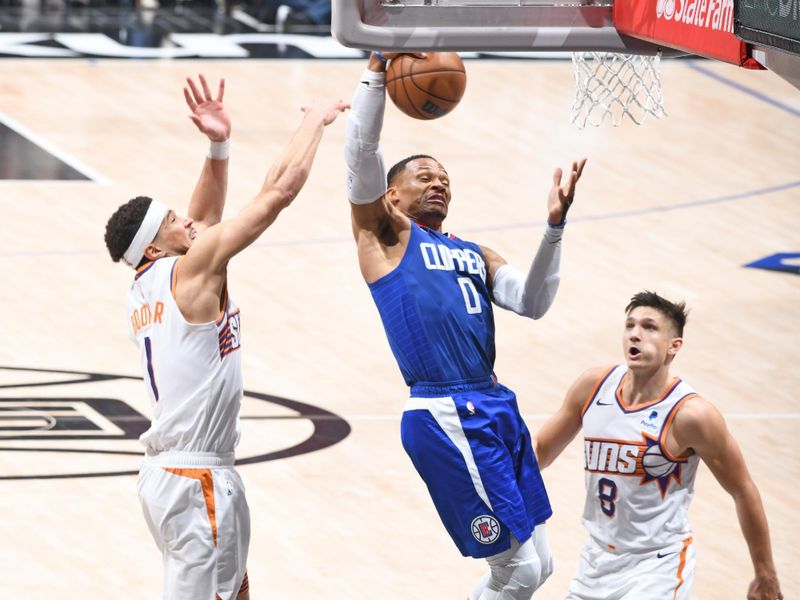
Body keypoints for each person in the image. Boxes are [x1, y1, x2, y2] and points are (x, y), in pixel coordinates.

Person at [343, 51, 587, 600]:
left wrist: (554, 228)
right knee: (519, 571)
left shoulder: (475, 252)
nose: (438, 183)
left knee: (539, 563)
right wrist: (376, 74)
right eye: (423, 175)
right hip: (445, 411)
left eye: (445, 178)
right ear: (391, 195)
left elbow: (532, 302)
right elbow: (361, 152)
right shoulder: (385, 237)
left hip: (494, 404)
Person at [103, 74, 347, 600]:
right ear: (153, 247)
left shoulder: (146, 285)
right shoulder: (189, 276)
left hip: (178, 474)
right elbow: (278, 193)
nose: (186, 221)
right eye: (172, 221)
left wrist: (218, 145)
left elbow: (204, 219)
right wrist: (316, 119)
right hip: (196, 480)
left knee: (233, 593)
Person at [533, 291, 783, 600]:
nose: (635, 334)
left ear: (673, 346)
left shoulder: (691, 415)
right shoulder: (593, 386)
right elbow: (541, 451)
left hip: (656, 567)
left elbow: (743, 489)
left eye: (649, 327)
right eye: (630, 325)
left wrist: (765, 573)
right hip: (595, 561)